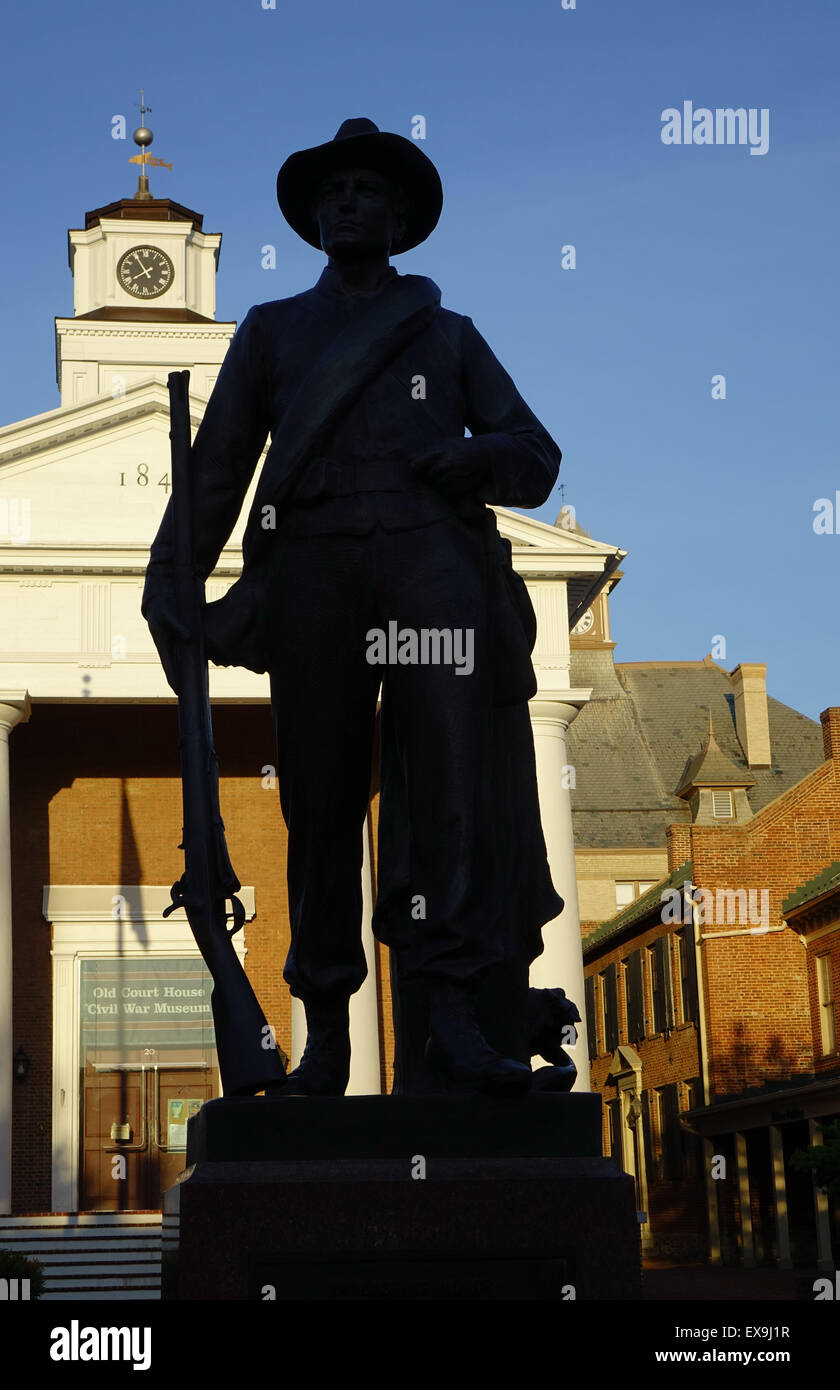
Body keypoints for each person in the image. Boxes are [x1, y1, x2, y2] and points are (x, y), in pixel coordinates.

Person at [143, 118, 564, 1097]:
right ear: (312, 219)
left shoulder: (448, 336)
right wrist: (173, 583)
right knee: (320, 799)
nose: (347, 204)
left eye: (367, 192)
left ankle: (453, 1017)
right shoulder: (274, 332)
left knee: (450, 790)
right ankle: (327, 1034)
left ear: (402, 215)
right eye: (333, 193)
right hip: (318, 567)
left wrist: (476, 458)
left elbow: (535, 455)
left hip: (430, 561)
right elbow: (216, 474)